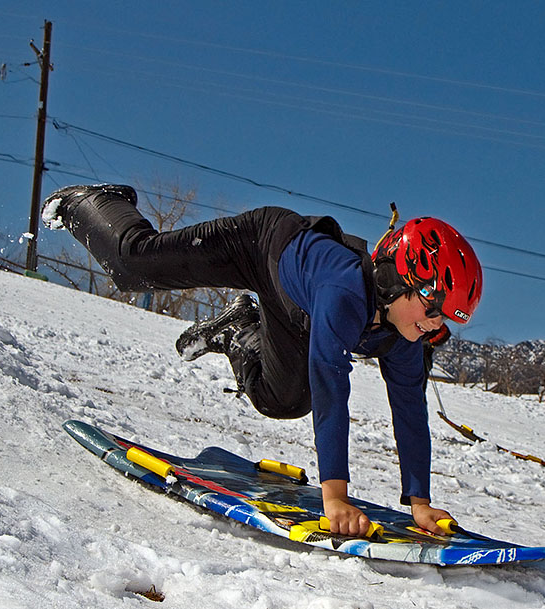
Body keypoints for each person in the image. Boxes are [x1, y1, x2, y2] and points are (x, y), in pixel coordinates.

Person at [42, 184, 483, 537]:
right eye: (432, 310)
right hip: (259, 244)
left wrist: (419, 503)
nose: (434, 327)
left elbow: (409, 410)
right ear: (396, 281)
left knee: (283, 400)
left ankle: (238, 329)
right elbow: (332, 387)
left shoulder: (407, 336)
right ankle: (97, 201)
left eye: (445, 322)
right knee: (134, 266)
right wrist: (335, 497)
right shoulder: (345, 293)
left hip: (293, 308)